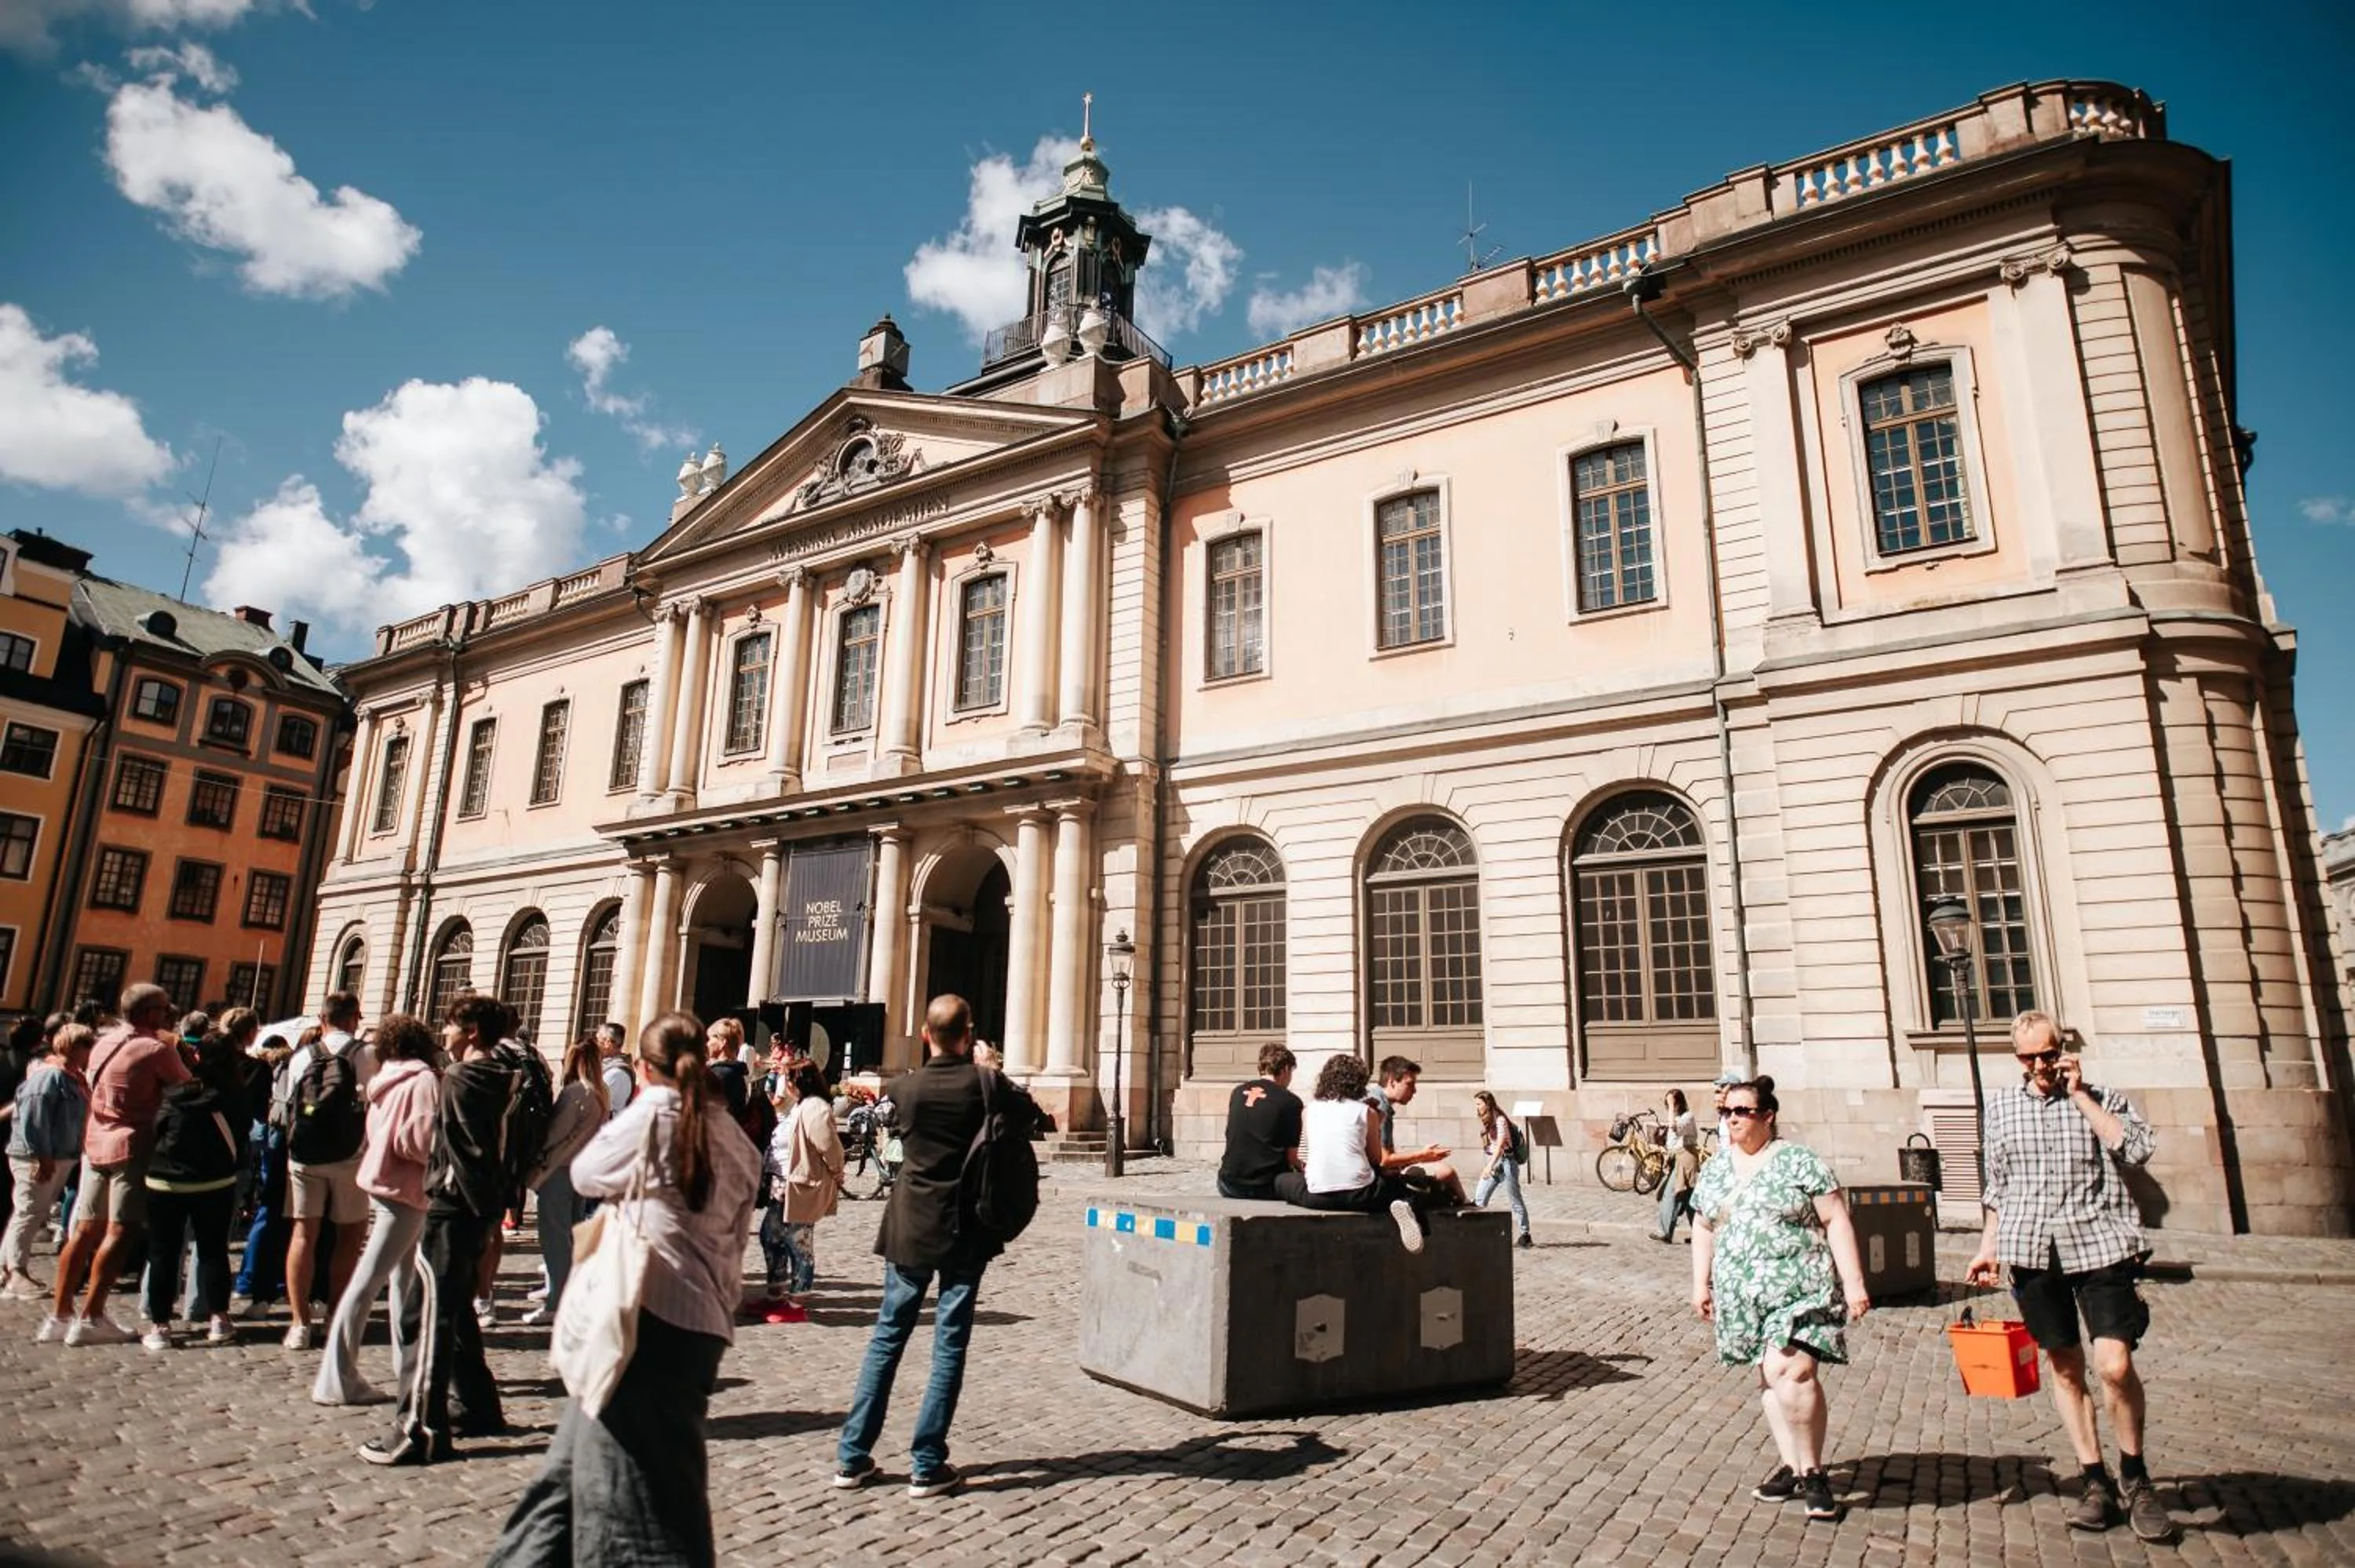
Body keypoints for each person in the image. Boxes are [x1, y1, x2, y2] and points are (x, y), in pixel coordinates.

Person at [487, 1010, 759, 1566]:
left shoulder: (656, 1112)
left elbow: (588, 1174)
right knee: (563, 1482)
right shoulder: (733, 1137)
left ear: (643, 1065)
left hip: (642, 1317)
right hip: (699, 1322)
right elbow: (735, 1238)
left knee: (644, 1512)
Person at [1966, 1011, 2171, 1544]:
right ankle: (2094, 1478)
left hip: (2100, 1243)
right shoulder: (2003, 1108)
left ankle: (2135, 1474)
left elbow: (2136, 1150)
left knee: (2114, 1364)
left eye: (2048, 1053)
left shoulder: (2101, 1097)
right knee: (2064, 1367)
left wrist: (2082, 1097)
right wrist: (1987, 1248)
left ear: (2066, 1049)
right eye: (2028, 1057)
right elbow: (1998, 1187)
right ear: (2016, 1058)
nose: (2040, 1065)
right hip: (2032, 1250)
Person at [835, 994, 1032, 1499]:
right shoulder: (987, 1084)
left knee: (887, 1337)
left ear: (926, 1035)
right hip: (967, 1228)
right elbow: (1032, 1118)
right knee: (949, 1343)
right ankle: (927, 1463)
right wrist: (991, 1070)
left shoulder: (905, 1088)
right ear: (969, 1035)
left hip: (909, 1225)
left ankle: (852, 1457)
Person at [1689, 1075, 1870, 1524]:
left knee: (1792, 1368)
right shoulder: (1716, 1167)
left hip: (1801, 1288)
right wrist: (1700, 1284)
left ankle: (1814, 1472)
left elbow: (1837, 1220)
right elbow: (1703, 1226)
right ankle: (1791, 1466)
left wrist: (1855, 1283)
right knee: (1769, 1380)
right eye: (1726, 1112)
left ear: (1767, 1116)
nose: (1732, 1119)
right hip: (1741, 1294)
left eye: (1742, 1111)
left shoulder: (1798, 1161)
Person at [360, 995, 520, 1465]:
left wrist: (467, 1209)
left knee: (425, 1315)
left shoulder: (462, 1077)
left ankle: (419, 1429)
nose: (443, 1034)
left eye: (450, 1026)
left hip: (454, 1209)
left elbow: (465, 1152)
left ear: (471, 1032)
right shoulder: (508, 1074)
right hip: (476, 1210)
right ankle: (476, 1405)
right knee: (453, 1310)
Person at [42, 984, 189, 1346]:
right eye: (164, 1010)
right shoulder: (156, 1049)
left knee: (84, 1229)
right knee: (121, 1230)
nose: (168, 1015)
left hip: (95, 1143)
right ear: (149, 1014)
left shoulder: (103, 1041)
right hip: (131, 1146)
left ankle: (59, 1315)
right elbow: (188, 1087)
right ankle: (92, 1316)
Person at [313, 1015, 440, 1406]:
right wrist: (443, 1158)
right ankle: (337, 1378)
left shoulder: (386, 1080)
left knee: (403, 1282)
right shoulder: (423, 1081)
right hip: (405, 1189)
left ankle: (407, 1364)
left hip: (386, 1184)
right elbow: (418, 1140)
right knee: (368, 1282)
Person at [138, 1031, 250, 1350]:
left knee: (164, 1253)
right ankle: (219, 1319)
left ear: (197, 1057)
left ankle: (160, 1326)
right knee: (214, 1252)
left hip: (165, 1181)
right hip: (215, 1182)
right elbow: (242, 1136)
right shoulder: (233, 1096)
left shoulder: (176, 1092)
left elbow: (158, 1129)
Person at [283, 993, 376, 1349]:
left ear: (322, 1019)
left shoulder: (301, 1056)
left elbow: (289, 1106)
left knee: (303, 1236)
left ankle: (299, 1324)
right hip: (352, 1156)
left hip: (305, 1156)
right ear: (354, 1018)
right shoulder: (367, 1055)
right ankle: (335, 1316)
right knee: (349, 1239)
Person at [1274, 1053, 1437, 1253]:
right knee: (1404, 1187)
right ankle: (1405, 1206)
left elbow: (1304, 1156)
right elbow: (1376, 1159)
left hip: (1317, 1195)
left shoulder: (1309, 1110)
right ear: (1359, 1082)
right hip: (1360, 1195)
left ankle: (1399, 1203)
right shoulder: (1367, 1112)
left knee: (1281, 1180)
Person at [522, 1035, 609, 1328]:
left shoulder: (576, 1093)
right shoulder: (600, 1093)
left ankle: (557, 1301)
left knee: (555, 1239)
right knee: (569, 1237)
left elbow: (554, 1133)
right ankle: (565, 1292)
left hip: (559, 1170)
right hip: (579, 1171)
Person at [3, 1024, 93, 1301]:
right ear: (73, 1047)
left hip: (59, 1153)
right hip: (40, 1155)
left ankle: (8, 1268)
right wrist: (42, 1156)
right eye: (87, 1045)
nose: (91, 1051)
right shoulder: (50, 1076)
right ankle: (16, 1272)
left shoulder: (72, 1076)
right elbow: (34, 1119)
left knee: (33, 1211)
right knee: (29, 1211)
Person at [761, 1061, 844, 1320]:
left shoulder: (815, 1108)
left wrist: (836, 1174)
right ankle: (776, 1292)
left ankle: (798, 1301)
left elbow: (830, 1147)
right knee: (770, 1236)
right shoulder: (798, 1105)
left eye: (787, 1078)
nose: (783, 1083)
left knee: (799, 1242)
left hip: (800, 1184)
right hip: (781, 1183)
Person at [232, 1027, 298, 1315]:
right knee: (279, 1216)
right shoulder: (290, 1067)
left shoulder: (282, 1066)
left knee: (268, 1213)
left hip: (268, 1142)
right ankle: (267, 1283)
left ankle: (251, 1280)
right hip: (284, 1146)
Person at [1367, 1056, 1466, 1203]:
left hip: (1365, 1177)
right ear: (1392, 1081)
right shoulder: (1381, 1109)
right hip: (1373, 1183)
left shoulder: (1372, 1098)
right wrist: (1423, 1155)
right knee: (1446, 1172)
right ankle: (1469, 1209)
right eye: (1410, 1084)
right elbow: (1385, 1160)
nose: (1414, 1091)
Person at [1216, 1045, 1304, 1201]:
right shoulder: (1291, 1102)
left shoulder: (1238, 1092)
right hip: (1266, 1185)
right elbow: (1292, 1158)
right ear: (1285, 1069)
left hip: (1228, 1183)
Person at [1469, 1090, 1533, 1248]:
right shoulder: (1487, 1119)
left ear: (1487, 1103)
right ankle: (1477, 1234)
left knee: (1514, 1198)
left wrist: (1488, 1166)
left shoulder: (1500, 1120)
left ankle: (1525, 1235)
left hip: (1507, 1163)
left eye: (1479, 1104)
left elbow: (1500, 1146)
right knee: (1479, 1197)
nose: (1477, 1107)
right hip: (1495, 1163)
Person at [1656, 1087, 1701, 1242]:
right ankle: (1699, 1233)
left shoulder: (1688, 1117)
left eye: (1672, 1103)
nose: (1669, 1107)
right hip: (1677, 1159)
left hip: (1686, 1158)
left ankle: (1665, 1233)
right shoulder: (1676, 1118)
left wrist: (1671, 1106)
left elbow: (1675, 1128)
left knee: (1673, 1195)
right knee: (1688, 1198)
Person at [597, 1023, 634, 1120]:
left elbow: (595, 1104)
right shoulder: (608, 1068)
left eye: (598, 1041)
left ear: (608, 1043)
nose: (596, 1045)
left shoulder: (615, 1074)